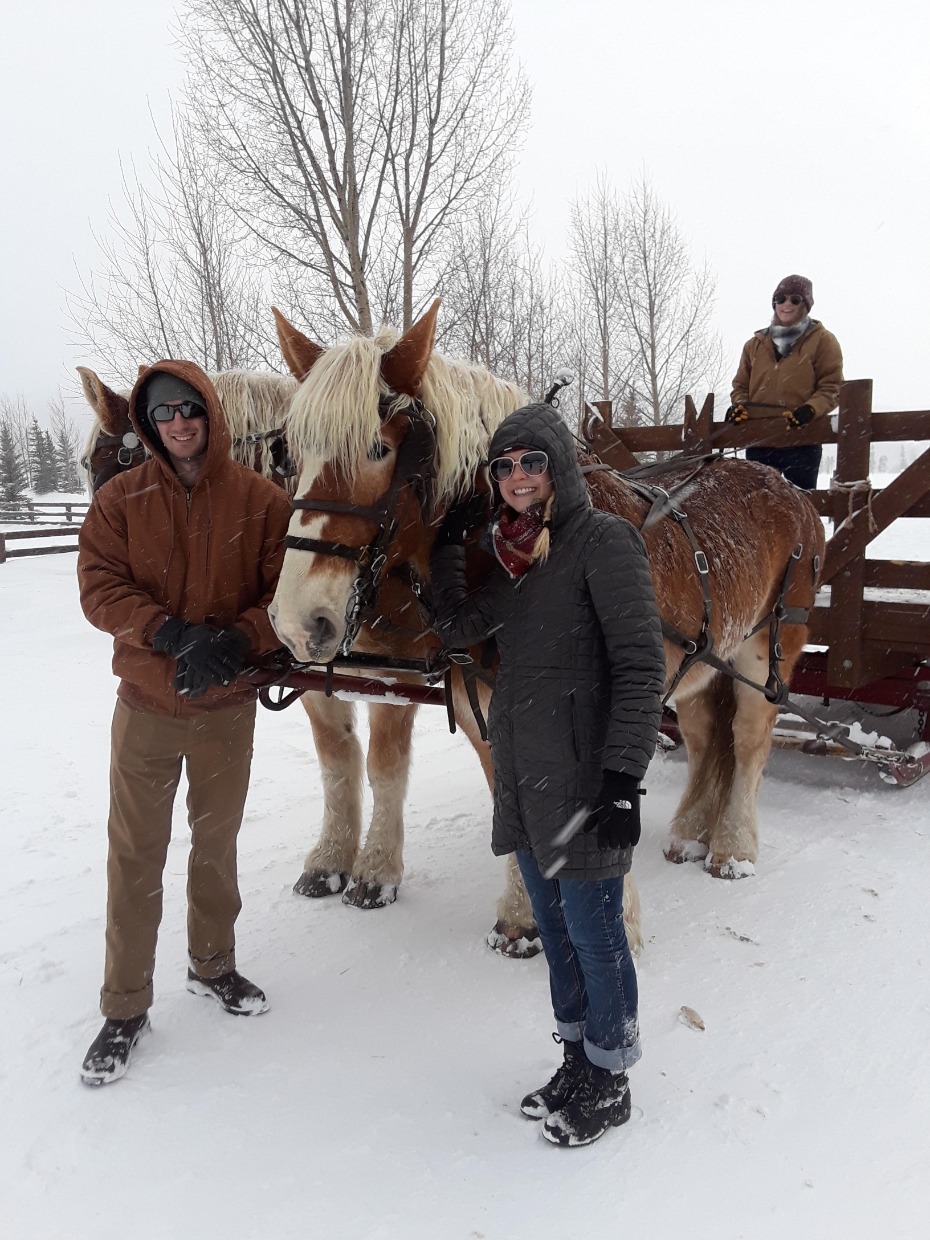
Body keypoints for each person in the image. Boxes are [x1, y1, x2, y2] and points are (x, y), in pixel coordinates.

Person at [429, 402, 665, 1147]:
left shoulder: (605, 540)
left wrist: (624, 777)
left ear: (558, 464)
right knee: (558, 932)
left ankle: (611, 1077)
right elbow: (457, 627)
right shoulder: (516, 559)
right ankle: (576, 1059)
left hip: (585, 780)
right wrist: (439, 550)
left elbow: (640, 666)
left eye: (532, 461)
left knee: (596, 936)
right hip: (526, 778)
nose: (518, 477)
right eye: (504, 466)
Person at [76, 360, 292, 1086]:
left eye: (188, 409)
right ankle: (125, 1006)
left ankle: (214, 965)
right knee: (135, 853)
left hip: (224, 711)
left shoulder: (262, 500)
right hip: (146, 707)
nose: (178, 424)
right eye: (163, 413)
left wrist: (238, 639)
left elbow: (282, 591)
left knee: (217, 844)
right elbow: (98, 587)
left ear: (210, 412)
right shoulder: (123, 498)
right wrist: (167, 634)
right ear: (148, 422)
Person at [728, 274, 844, 490]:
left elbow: (833, 386)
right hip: (759, 439)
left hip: (801, 439)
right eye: (780, 299)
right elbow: (740, 386)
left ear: (806, 305)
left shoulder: (823, 341)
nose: (786, 304)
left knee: (799, 512)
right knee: (755, 510)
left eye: (794, 299)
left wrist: (810, 409)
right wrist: (740, 406)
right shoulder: (754, 345)